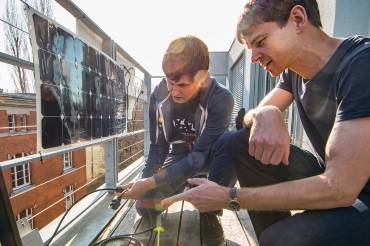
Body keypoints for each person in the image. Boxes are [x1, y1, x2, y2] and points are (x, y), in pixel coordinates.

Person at [162, 1, 370, 245]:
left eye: (260, 42)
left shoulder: (361, 65)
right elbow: (251, 117)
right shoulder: (294, 72)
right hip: (334, 179)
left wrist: (230, 196)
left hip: (354, 193)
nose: (254, 58)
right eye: (250, 48)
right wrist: (266, 112)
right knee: (237, 142)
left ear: (298, 19)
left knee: (280, 239)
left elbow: (341, 188)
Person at [120, 35, 236, 245]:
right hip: (180, 155)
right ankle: (187, 185)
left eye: (182, 85)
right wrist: (144, 185)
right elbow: (157, 148)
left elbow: (198, 159)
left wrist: (148, 182)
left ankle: (210, 211)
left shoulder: (221, 98)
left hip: (211, 157)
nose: (174, 91)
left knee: (231, 142)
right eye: (169, 82)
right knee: (144, 206)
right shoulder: (159, 95)